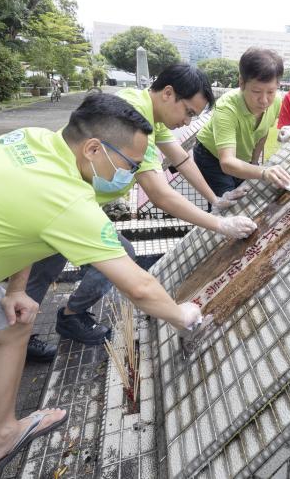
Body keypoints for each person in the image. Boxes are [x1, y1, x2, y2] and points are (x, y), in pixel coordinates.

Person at [0, 93, 202, 478]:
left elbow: (19, 226)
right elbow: (137, 285)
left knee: (14, 324)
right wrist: (182, 314)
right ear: (93, 148)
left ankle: (2, 434)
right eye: (130, 164)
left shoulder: (33, 139)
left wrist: (16, 289)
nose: (132, 173)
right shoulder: (65, 198)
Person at [25, 65, 256, 360]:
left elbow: (182, 159)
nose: (187, 121)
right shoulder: (137, 123)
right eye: (187, 112)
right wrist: (220, 225)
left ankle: (62, 318)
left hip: (75, 203)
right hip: (62, 204)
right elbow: (160, 194)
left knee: (46, 270)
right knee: (44, 272)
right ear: (168, 94)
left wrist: (215, 199)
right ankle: (23, 337)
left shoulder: (145, 106)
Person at [194, 47, 290, 195]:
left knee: (245, 194)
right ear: (241, 82)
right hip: (211, 156)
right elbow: (227, 162)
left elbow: (262, 132)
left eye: (271, 91)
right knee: (226, 202)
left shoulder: (276, 101)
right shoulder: (226, 108)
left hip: (240, 158)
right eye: (256, 91)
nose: (264, 100)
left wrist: (254, 162)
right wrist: (263, 171)